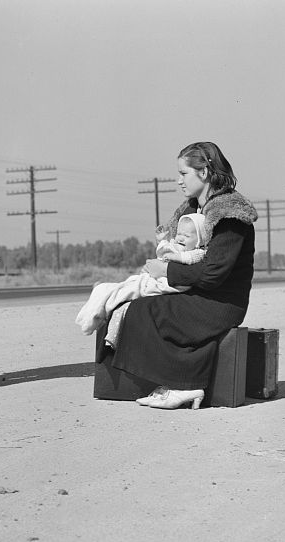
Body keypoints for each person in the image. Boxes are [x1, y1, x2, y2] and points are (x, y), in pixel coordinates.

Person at [98, 141, 258, 410]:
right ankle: (179, 381)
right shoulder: (192, 210)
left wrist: (167, 271)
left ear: (204, 173)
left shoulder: (229, 214)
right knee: (128, 307)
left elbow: (214, 273)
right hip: (197, 294)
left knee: (143, 311)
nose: (179, 181)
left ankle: (185, 384)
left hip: (221, 303)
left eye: (184, 174)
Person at [75, 213, 207, 335]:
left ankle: (95, 315)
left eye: (187, 236)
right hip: (155, 279)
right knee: (119, 287)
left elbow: (187, 258)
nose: (181, 238)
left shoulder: (197, 253)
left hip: (162, 284)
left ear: (199, 240)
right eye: (179, 233)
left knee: (124, 292)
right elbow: (163, 250)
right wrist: (162, 241)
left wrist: (172, 257)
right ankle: (98, 305)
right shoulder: (178, 247)